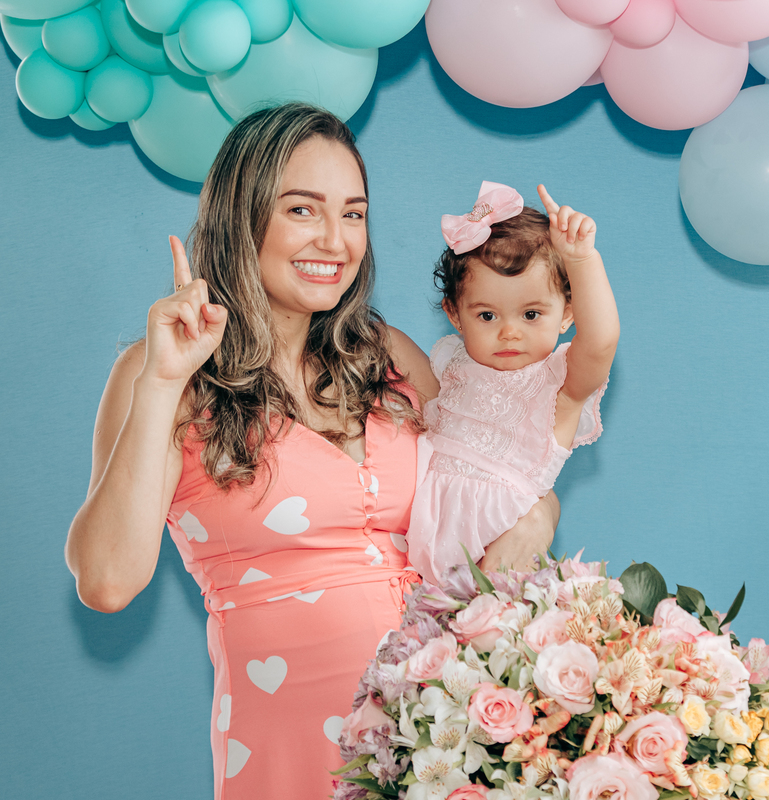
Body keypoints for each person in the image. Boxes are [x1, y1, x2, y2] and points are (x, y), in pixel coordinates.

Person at [63, 104, 558, 799]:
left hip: (437, 735)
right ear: (243, 216)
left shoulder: (387, 357)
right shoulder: (163, 374)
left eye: (354, 214)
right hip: (286, 744)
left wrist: (535, 523)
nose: (336, 239)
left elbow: (503, 485)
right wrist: (163, 383)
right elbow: (107, 581)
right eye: (303, 210)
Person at [405, 182, 619, 584]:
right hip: (418, 552)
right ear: (455, 314)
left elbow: (602, 341)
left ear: (567, 314)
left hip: (501, 551)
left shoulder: (560, 386)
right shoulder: (452, 364)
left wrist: (582, 259)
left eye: (532, 314)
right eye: (487, 316)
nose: (509, 333)